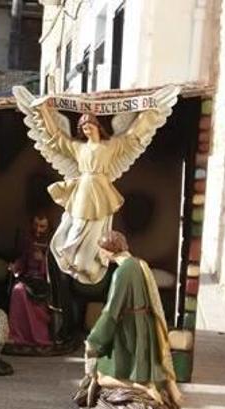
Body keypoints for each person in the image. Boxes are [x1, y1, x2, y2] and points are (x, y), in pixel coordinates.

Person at [14, 85, 179, 285]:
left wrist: (149, 113)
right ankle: (71, 255)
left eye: (90, 125)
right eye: (83, 127)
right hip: (83, 190)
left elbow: (133, 136)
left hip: (100, 190)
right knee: (76, 226)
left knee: (97, 229)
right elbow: (56, 138)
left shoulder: (111, 145)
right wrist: (43, 112)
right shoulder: (78, 147)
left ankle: (89, 262)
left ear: (97, 127)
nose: (86, 129)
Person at [75, 230, 183, 409]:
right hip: (143, 326)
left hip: (128, 332)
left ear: (108, 250)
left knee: (101, 374)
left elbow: (111, 312)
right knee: (127, 368)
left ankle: (142, 389)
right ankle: (149, 386)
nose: (101, 255)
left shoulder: (122, 272)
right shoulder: (138, 264)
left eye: (102, 251)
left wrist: (95, 339)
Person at [7, 214, 53, 346]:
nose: (38, 230)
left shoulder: (53, 242)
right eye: (36, 225)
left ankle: (38, 335)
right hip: (28, 278)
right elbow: (23, 259)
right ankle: (19, 334)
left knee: (26, 293)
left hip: (45, 281)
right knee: (18, 290)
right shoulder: (29, 240)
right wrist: (16, 267)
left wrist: (43, 261)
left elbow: (57, 267)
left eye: (42, 226)